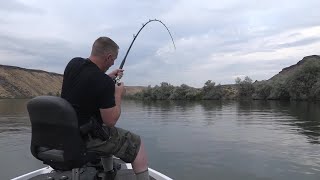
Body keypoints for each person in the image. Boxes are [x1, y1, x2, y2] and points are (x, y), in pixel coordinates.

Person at [61, 37, 149, 180]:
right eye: (113, 59)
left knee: (102, 130)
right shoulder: (103, 82)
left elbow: (88, 82)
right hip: (84, 139)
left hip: (65, 134)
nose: (113, 62)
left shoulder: (73, 64)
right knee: (137, 144)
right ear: (108, 57)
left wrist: (108, 77)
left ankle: (109, 174)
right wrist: (118, 94)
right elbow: (111, 121)